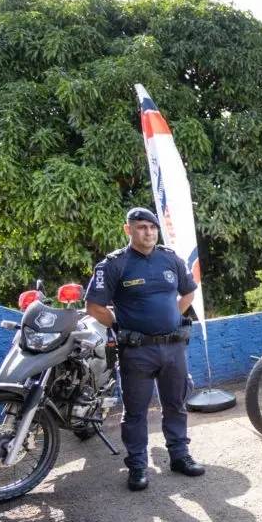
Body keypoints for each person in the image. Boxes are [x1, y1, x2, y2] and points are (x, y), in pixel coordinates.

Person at [84, 207, 204, 492]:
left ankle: (179, 456)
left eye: (152, 228)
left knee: (176, 404)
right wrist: (119, 325)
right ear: (128, 230)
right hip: (137, 351)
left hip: (173, 347)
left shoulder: (170, 258)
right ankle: (137, 466)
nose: (148, 233)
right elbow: (94, 307)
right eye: (141, 227)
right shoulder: (114, 265)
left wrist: (173, 316)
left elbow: (189, 290)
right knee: (136, 411)